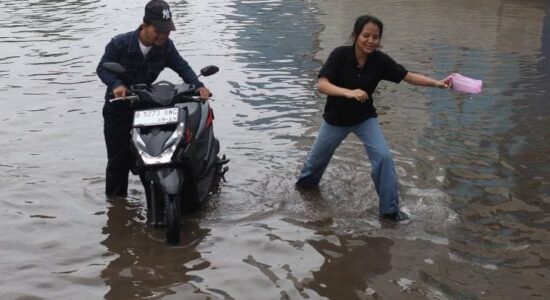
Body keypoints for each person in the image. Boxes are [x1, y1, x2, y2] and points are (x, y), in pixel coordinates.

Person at [296, 15, 451, 221]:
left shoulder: (379, 61)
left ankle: (390, 212)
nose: (371, 41)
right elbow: (322, 85)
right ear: (356, 35)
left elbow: (408, 76)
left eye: (376, 37)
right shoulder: (340, 55)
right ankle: (304, 196)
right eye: (366, 35)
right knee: (312, 170)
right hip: (335, 120)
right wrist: (349, 92)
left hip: (364, 119)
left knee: (384, 158)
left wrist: (438, 83)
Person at [96, 0, 210, 197]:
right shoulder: (119, 44)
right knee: (118, 161)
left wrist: (199, 86)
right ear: (144, 25)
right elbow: (102, 68)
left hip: (147, 108)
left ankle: (156, 201)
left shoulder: (166, 47)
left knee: (154, 156)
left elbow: (182, 67)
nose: (163, 35)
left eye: (167, 31)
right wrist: (116, 85)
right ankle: (116, 203)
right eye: (158, 31)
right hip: (119, 108)